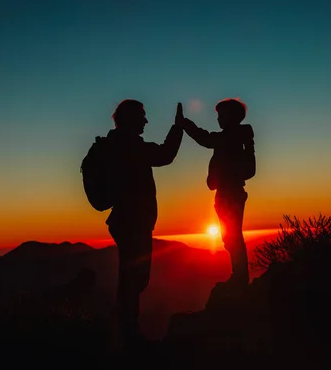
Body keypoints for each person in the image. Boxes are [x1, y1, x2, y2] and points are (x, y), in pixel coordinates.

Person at [105, 99, 184, 347]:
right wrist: (178, 127)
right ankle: (129, 336)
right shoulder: (130, 146)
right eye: (142, 116)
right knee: (134, 279)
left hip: (125, 221)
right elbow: (164, 155)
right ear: (129, 119)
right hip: (133, 222)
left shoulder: (116, 144)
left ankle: (128, 333)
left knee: (131, 278)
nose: (146, 121)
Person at [182, 98, 256, 287]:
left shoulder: (227, 138)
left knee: (232, 236)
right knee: (231, 236)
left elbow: (204, 138)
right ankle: (239, 275)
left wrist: (185, 124)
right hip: (232, 192)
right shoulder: (239, 138)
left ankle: (239, 276)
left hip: (229, 194)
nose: (218, 120)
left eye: (220, 115)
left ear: (230, 117)